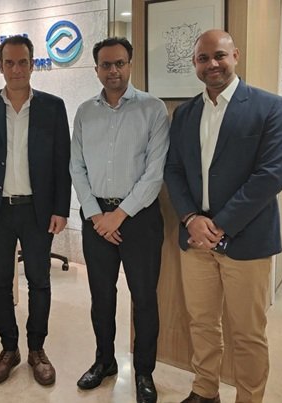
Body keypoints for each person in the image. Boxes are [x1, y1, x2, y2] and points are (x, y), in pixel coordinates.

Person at [164, 29, 282, 403]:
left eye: (219, 55)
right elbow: (173, 169)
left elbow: (272, 175)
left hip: (247, 239)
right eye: (203, 58)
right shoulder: (185, 113)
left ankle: (249, 397)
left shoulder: (270, 107)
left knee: (247, 332)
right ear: (195, 64)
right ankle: (205, 390)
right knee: (202, 323)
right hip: (195, 239)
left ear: (235, 55)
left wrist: (220, 224)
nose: (212, 64)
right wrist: (190, 218)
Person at [0, 35, 71, 386]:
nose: (16, 69)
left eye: (22, 62)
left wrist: (61, 208)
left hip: (37, 211)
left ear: (32, 64)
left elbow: (62, 162)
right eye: (9, 62)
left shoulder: (52, 107)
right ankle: (9, 349)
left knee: (39, 282)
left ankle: (37, 349)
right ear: (0, 66)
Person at [70, 37, 169, 403]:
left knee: (144, 298)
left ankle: (144, 372)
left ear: (130, 64)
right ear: (97, 69)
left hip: (139, 218)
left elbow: (155, 174)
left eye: (120, 63)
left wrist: (119, 216)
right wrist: (96, 215)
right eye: (106, 65)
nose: (113, 70)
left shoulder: (153, 109)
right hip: (96, 217)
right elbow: (76, 167)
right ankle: (104, 361)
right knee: (101, 296)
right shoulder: (85, 112)